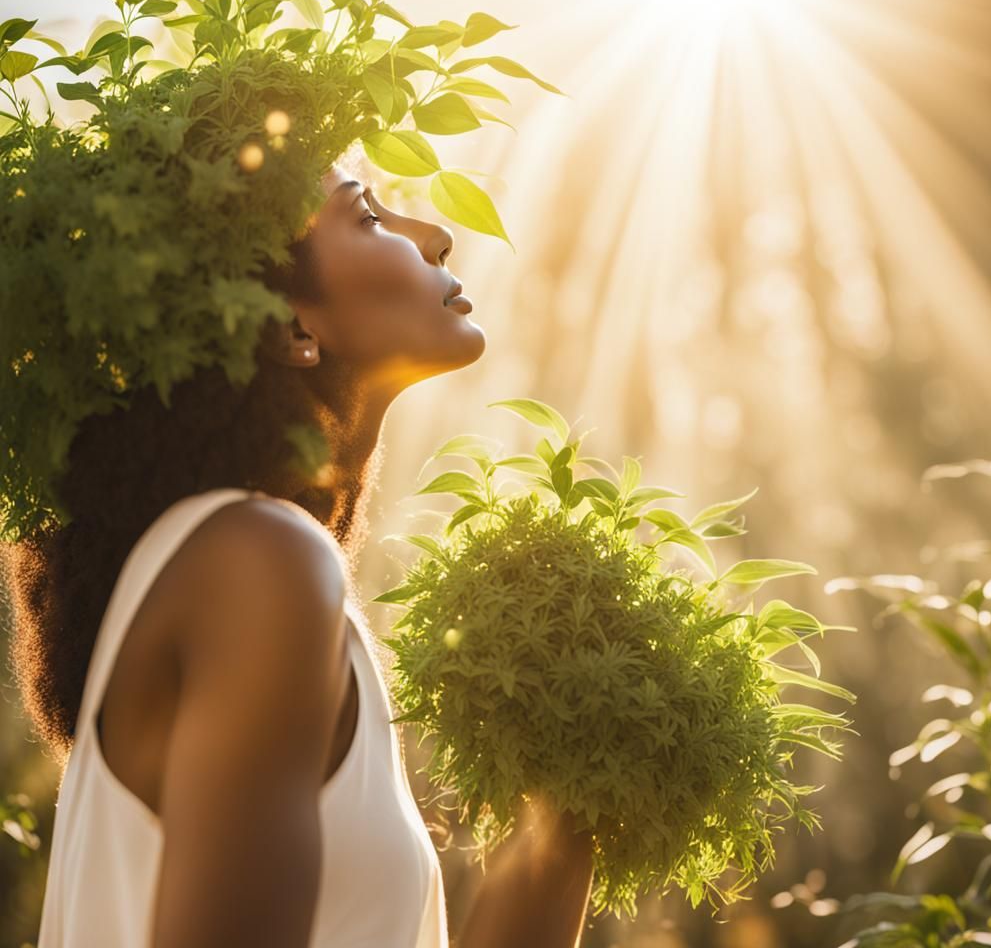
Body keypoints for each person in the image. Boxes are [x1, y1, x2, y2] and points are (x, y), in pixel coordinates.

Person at [6, 163, 595, 947]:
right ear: (290, 329)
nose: (437, 236)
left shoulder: (248, 562)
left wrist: (563, 831)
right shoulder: (257, 563)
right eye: (368, 218)